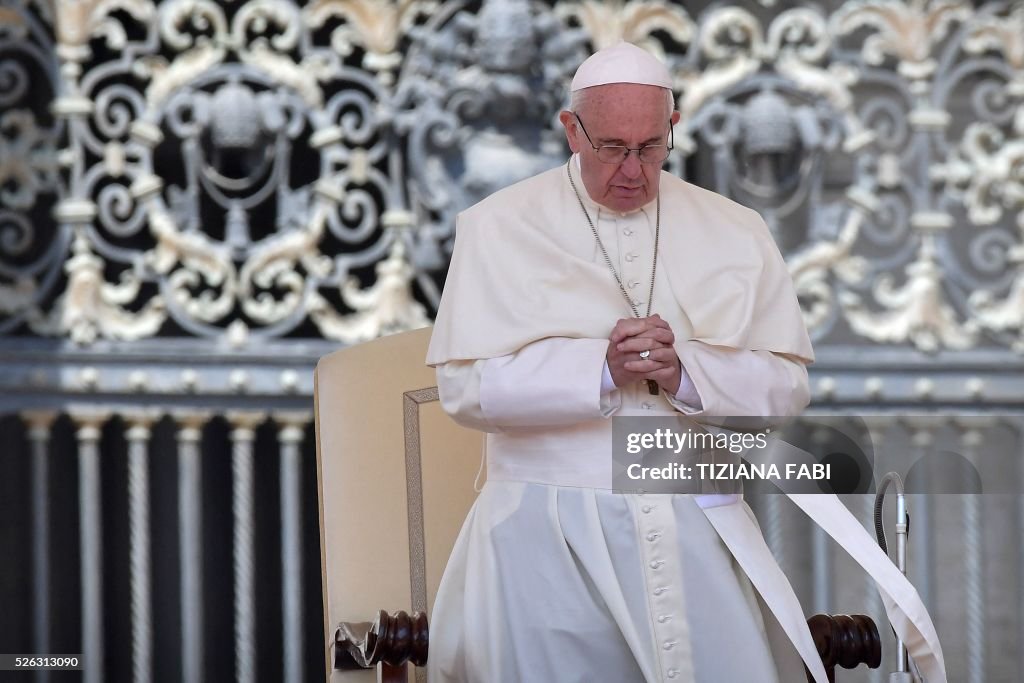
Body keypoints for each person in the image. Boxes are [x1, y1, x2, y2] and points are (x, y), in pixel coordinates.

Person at [425, 42, 945, 683]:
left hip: (692, 524)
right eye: (612, 147)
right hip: (544, 537)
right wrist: (600, 368)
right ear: (571, 131)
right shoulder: (496, 227)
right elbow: (464, 391)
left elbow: (786, 387)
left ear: (672, 130)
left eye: (650, 147)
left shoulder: (737, 228)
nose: (632, 171)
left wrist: (688, 372)